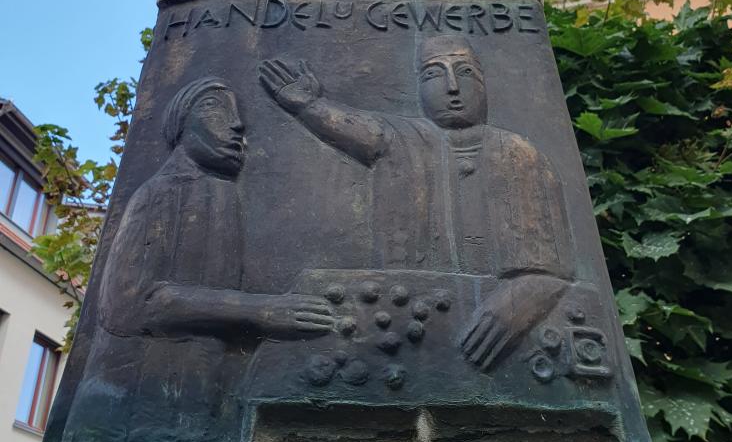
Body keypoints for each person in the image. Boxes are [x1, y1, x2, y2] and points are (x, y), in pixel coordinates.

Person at [260, 36, 575, 370]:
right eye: (434, 74)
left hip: (500, 338)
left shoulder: (519, 154)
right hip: (408, 324)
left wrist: (521, 300)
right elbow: (361, 129)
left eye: (465, 72)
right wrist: (309, 106)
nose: (452, 87)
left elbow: (551, 269)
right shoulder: (402, 140)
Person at [98, 77, 333, 341]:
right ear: (181, 124)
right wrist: (262, 311)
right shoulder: (158, 194)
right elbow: (125, 305)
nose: (237, 123)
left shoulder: (224, 192)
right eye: (213, 107)